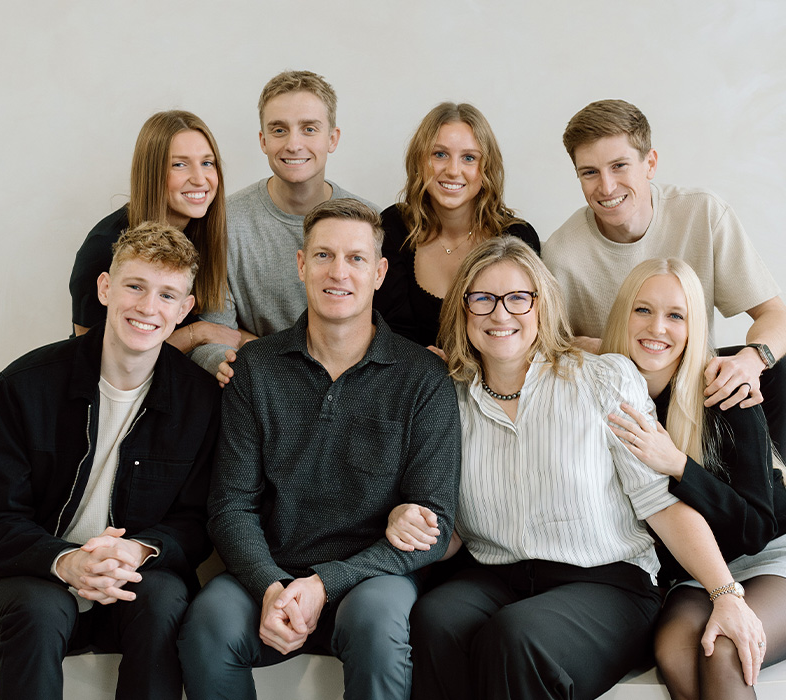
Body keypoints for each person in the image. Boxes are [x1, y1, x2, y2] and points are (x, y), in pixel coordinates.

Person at [391, 236, 764, 700]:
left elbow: (660, 504)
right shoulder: (448, 399)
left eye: (518, 299)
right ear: (463, 310)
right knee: (435, 620)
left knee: (518, 637)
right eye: (483, 299)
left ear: (542, 305)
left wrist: (725, 595)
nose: (500, 314)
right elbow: (453, 530)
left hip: (606, 581)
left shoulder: (602, 379)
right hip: (497, 574)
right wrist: (408, 522)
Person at [177, 199, 460, 700]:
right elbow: (230, 506)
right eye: (324, 255)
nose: (339, 272)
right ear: (302, 264)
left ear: (379, 273)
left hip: (374, 574)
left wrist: (324, 584)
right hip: (272, 570)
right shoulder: (255, 369)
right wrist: (270, 587)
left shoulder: (423, 378)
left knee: (376, 625)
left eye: (355, 258)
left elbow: (433, 527)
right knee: (209, 625)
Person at [0, 223, 221, 700]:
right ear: (105, 287)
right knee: (39, 609)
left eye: (167, 295)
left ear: (184, 309)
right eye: (135, 286)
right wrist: (66, 561)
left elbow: (197, 520)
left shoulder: (200, 401)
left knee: (164, 600)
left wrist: (139, 550)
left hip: (136, 579)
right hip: (38, 576)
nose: (148, 308)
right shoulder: (25, 384)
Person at [542, 99, 786, 452]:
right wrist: (601, 349)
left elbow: (774, 314)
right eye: (590, 172)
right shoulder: (560, 255)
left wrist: (752, 360)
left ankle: (773, 480)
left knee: (777, 368)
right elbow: (549, 353)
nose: (607, 187)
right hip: (619, 401)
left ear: (650, 163)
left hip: (694, 386)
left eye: (619, 166)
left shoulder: (703, 213)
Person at [600, 258, 786, 700]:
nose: (657, 328)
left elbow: (755, 527)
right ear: (623, 315)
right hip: (692, 574)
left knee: (725, 651)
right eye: (642, 310)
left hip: (770, 559)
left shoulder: (726, 389)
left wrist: (679, 465)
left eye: (675, 315)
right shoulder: (602, 391)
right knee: (678, 652)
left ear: (694, 325)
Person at [190, 70, 377, 380]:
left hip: (353, 384)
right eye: (279, 130)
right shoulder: (224, 223)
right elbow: (214, 336)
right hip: (259, 383)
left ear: (332, 138)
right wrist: (224, 359)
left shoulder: (371, 223)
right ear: (263, 140)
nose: (293, 144)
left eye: (309, 129)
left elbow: (383, 337)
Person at [69, 110, 240, 354]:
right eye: (180, 164)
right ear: (152, 172)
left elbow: (223, 330)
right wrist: (197, 334)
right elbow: (93, 358)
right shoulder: (103, 247)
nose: (200, 179)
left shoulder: (205, 234)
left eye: (207, 163)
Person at [373, 102, 539, 349]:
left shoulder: (517, 237)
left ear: (486, 170)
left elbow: (524, 331)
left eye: (469, 158)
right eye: (439, 154)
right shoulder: (394, 228)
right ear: (420, 161)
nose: (453, 170)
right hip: (408, 378)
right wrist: (424, 364)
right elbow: (387, 329)